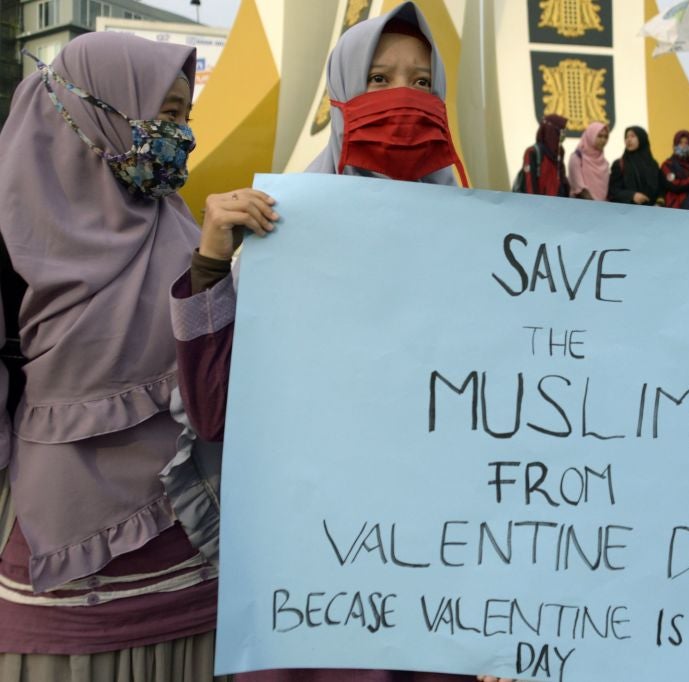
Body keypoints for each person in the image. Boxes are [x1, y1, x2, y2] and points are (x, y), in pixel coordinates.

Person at [171, 3, 487, 681]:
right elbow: (214, 411)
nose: (403, 99)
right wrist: (210, 266)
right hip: (314, 590)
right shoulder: (285, 230)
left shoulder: (487, 249)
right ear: (341, 93)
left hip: (440, 594)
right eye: (378, 78)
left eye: (422, 83)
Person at [0, 31, 260, 681]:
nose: (180, 135)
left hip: (191, 574)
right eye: (165, 115)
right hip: (63, 588)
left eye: (183, 117)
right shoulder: (10, 243)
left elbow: (217, 395)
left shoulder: (185, 229)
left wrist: (210, 268)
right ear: (93, 111)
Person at [608, 125, 663, 206]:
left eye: (633, 136)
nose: (629, 140)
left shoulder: (653, 164)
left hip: (652, 214)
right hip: (628, 213)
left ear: (642, 139)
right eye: (626, 137)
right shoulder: (619, 164)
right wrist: (632, 195)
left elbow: (659, 188)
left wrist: (659, 202)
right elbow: (613, 191)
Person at [518, 114, 569, 196]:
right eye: (562, 130)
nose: (564, 134)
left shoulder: (560, 151)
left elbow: (561, 179)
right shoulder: (532, 152)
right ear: (551, 131)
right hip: (538, 205)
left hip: (556, 205)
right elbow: (530, 185)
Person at [660, 130, 689, 210]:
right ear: (675, 144)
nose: (683, 146)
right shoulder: (668, 165)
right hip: (676, 209)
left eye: (686, 143)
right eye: (680, 143)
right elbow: (675, 185)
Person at [567, 121, 610, 200]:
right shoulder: (576, 158)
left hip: (601, 209)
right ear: (590, 136)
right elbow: (579, 187)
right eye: (599, 136)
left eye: (606, 137)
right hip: (581, 207)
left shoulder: (605, 163)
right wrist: (594, 206)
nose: (603, 140)